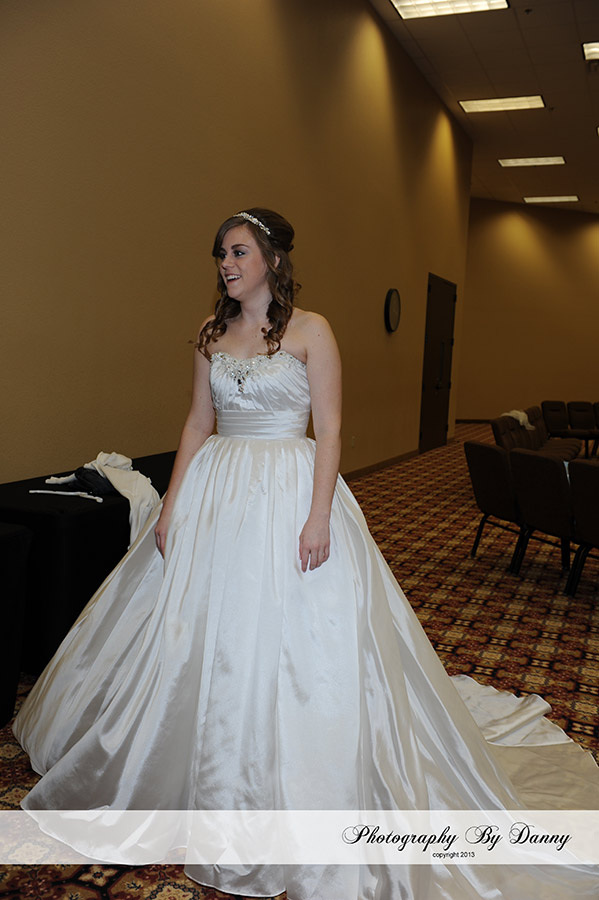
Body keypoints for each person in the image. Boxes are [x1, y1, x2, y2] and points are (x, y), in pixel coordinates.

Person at [13, 209, 599, 900]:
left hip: (290, 490)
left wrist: (318, 515)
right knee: (199, 629)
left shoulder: (312, 330)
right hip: (217, 490)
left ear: (271, 258)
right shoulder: (209, 334)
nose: (226, 264)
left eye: (238, 252)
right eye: (220, 254)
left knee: (293, 636)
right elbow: (197, 422)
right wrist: (171, 505)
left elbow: (332, 431)